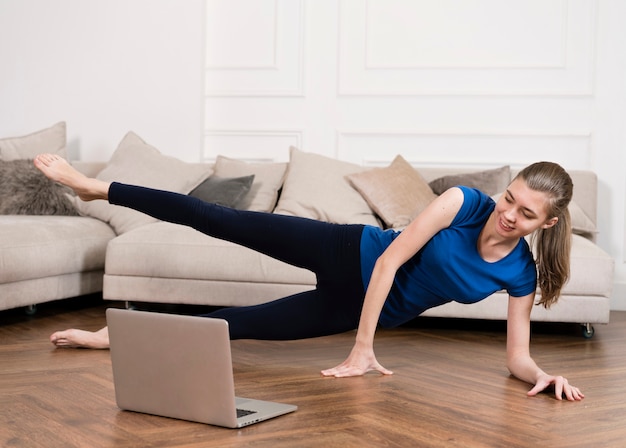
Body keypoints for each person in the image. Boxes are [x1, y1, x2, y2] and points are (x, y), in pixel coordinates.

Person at [34, 153, 584, 401]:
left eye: (526, 214)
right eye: (510, 198)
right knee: (220, 219)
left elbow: (516, 354)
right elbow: (391, 263)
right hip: (351, 251)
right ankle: (96, 186)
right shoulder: (462, 202)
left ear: (547, 223)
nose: (508, 214)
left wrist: (540, 374)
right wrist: (362, 351)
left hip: (354, 307)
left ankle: (114, 336)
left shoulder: (520, 274)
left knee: (233, 327)